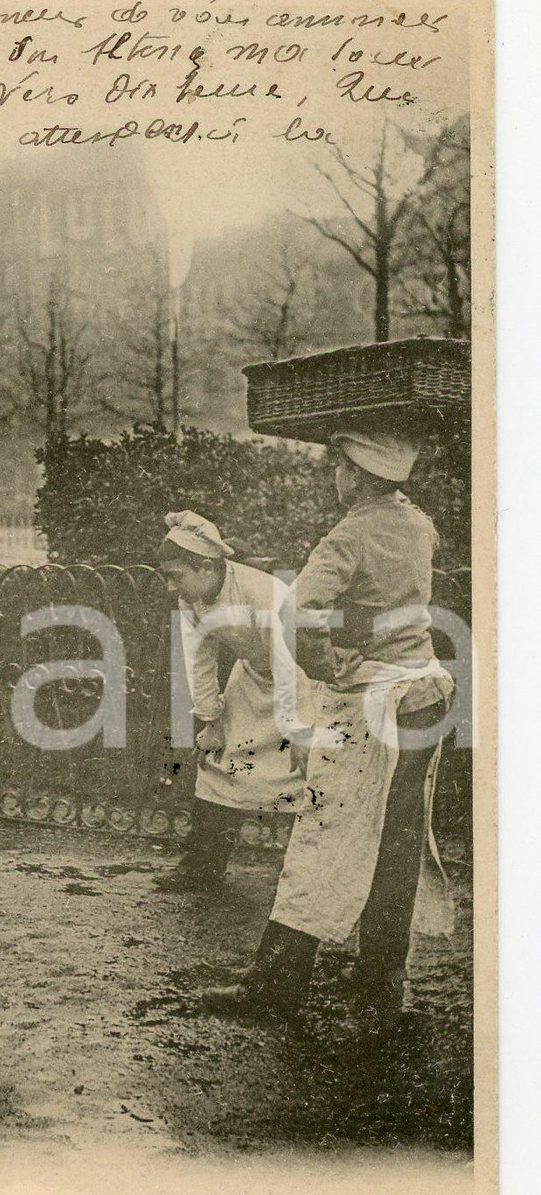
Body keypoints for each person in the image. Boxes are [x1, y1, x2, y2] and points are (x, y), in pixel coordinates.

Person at [199, 430, 455, 1031]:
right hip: (423, 693)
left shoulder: (347, 535)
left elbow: (298, 615)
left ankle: (276, 986)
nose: (334, 479)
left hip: (372, 701)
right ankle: (380, 987)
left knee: (324, 836)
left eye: (337, 468)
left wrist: (324, 663)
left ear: (356, 474)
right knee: (396, 842)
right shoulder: (418, 524)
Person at [154, 511, 312, 893]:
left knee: (306, 775)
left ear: (205, 567)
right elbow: (201, 658)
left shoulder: (262, 594)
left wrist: (299, 729)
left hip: (302, 681)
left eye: (176, 575)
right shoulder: (191, 599)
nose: (170, 586)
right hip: (253, 676)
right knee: (217, 763)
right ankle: (202, 868)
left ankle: (301, 879)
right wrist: (210, 719)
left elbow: (289, 663)